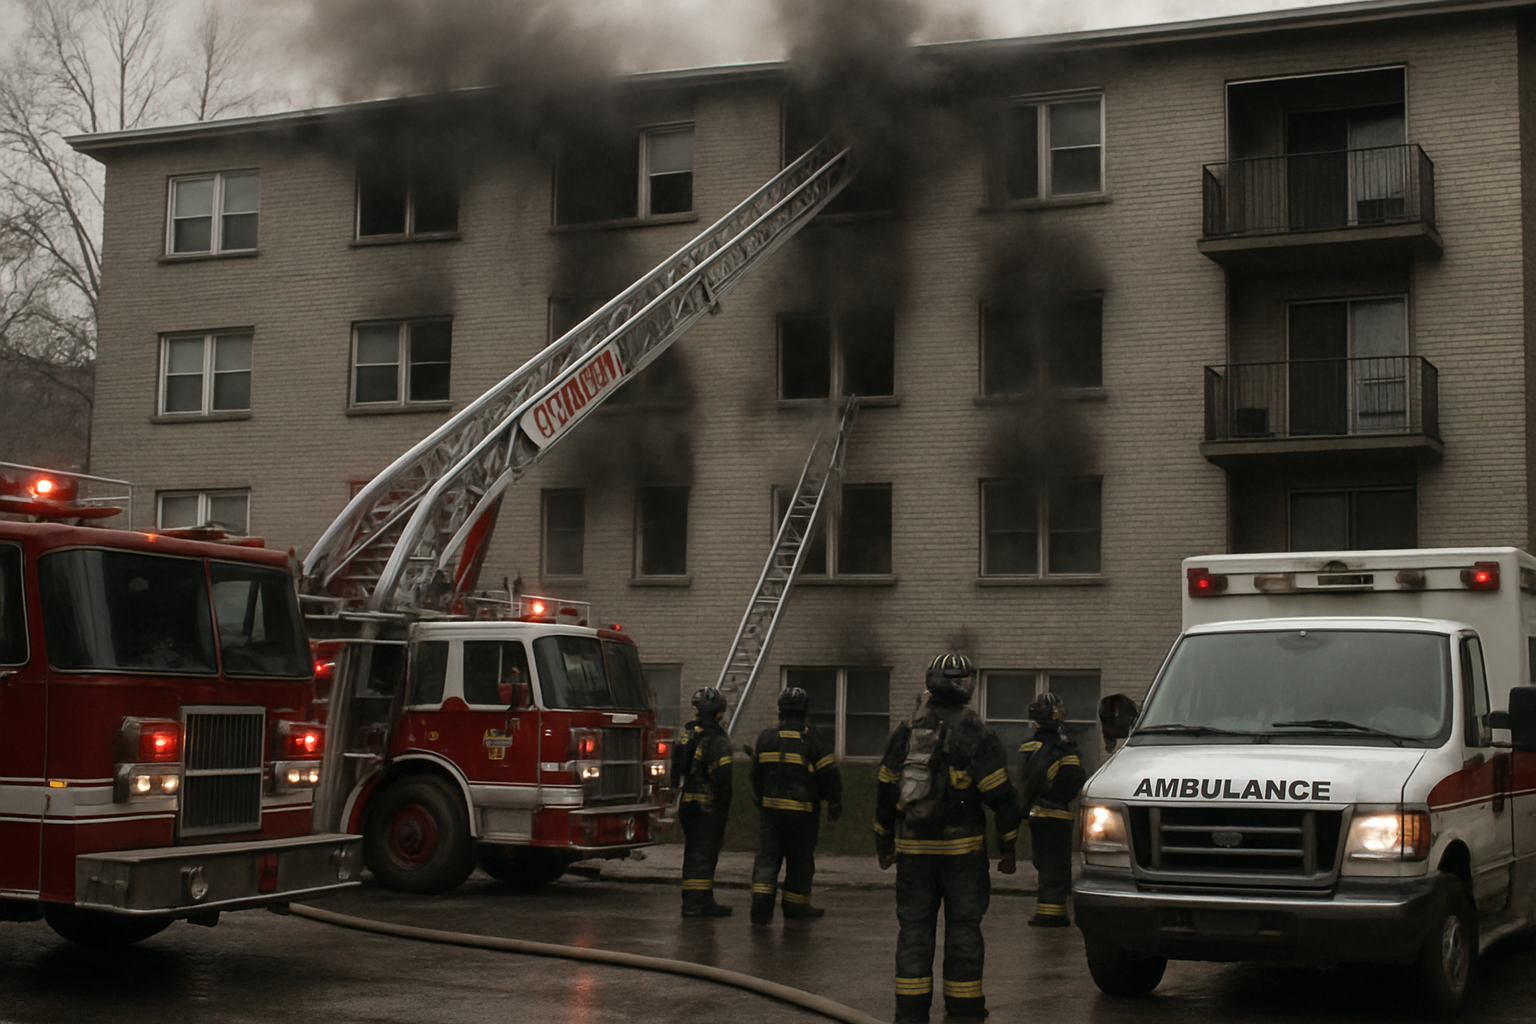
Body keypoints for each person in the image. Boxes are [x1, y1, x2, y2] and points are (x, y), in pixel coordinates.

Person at [875, 654, 1021, 1024]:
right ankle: (964, 1010)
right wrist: (1008, 846)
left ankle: (910, 1013)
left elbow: (886, 788)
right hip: (963, 855)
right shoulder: (977, 733)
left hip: (913, 853)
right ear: (965, 685)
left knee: (914, 931)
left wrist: (883, 842)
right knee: (964, 931)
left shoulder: (908, 730)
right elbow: (1001, 796)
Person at [749, 686, 843, 925]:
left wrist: (760, 799)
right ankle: (796, 906)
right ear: (805, 710)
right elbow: (829, 775)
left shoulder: (766, 738)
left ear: (780, 710)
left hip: (770, 813)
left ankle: (760, 909)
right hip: (803, 814)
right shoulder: (813, 740)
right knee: (799, 861)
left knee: (767, 859)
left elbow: (756, 775)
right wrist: (834, 804)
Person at [1019, 692, 1086, 928]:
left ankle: (1048, 912)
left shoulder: (1028, 747)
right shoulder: (1065, 748)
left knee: (1044, 865)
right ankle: (1053, 914)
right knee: (1056, 868)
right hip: (1058, 816)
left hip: (1037, 815)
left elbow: (1025, 782)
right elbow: (1074, 780)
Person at [674, 686, 735, 917]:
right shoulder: (717, 740)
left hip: (687, 805)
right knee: (704, 856)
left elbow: (676, 769)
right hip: (707, 808)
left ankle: (700, 900)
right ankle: (696, 905)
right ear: (719, 713)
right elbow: (724, 779)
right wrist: (723, 810)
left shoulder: (687, 735)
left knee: (694, 854)